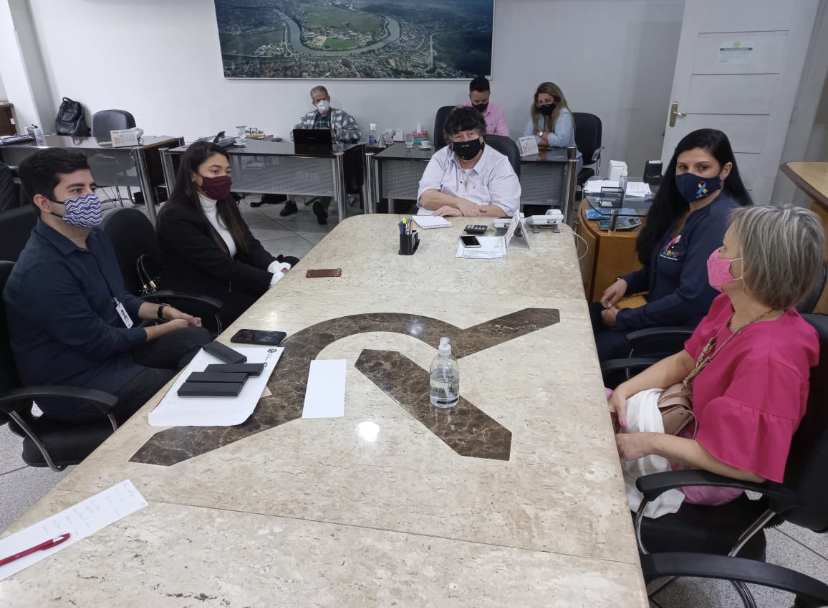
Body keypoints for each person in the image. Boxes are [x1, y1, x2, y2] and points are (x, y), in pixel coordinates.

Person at [611, 205, 823, 507]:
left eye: (724, 248)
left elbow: (747, 467)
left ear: (752, 268)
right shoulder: (731, 306)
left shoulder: (770, 360)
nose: (715, 255)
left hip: (706, 471)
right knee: (591, 410)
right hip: (682, 422)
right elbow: (687, 360)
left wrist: (649, 443)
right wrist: (625, 390)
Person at [3, 149, 211, 422]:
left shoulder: (94, 238)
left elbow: (116, 298)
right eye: (76, 190)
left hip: (117, 353)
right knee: (179, 389)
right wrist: (168, 328)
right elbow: (100, 342)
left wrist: (164, 311)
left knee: (196, 339)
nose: (90, 197)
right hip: (80, 381)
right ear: (44, 202)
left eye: (91, 187)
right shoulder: (42, 270)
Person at [591, 129, 752, 362]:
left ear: (725, 170)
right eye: (683, 167)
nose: (690, 175)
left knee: (583, 352)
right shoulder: (686, 209)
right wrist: (628, 281)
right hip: (654, 313)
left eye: (702, 167)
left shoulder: (718, 221)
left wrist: (623, 318)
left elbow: (690, 300)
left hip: (674, 333)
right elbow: (665, 267)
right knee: (578, 318)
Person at [157, 141, 300, 331]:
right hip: (205, 291)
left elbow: (248, 244)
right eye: (215, 171)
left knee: (292, 264)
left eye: (227, 171)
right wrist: (271, 279)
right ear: (192, 174)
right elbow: (221, 265)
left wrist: (274, 266)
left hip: (229, 278)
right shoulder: (175, 216)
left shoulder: (224, 201)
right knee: (276, 299)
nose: (223, 177)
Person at [417, 106, 520, 218]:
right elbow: (426, 198)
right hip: (439, 224)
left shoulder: (499, 163)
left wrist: (462, 213)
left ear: (481, 136)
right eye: (459, 136)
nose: (465, 140)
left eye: (470, 134)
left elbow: (506, 209)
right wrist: (459, 203)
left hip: (480, 225)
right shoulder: (441, 157)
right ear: (451, 141)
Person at [285, 84, 362, 224]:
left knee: (328, 170)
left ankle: (322, 207)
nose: (322, 102)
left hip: (333, 156)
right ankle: (290, 202)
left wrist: (335, 133)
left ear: (329, 99)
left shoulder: (342, 115)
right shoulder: (308, 117)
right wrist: (309, 135)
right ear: (313, 103)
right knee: (287, 164)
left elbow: (356, 134)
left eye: (324, 99)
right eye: (318, 100)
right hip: (311, 155)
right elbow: (293, 135)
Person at [522, 82, 582, 169]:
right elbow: (525, 140)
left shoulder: (563, 114)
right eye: (540, 102)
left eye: (548, 101)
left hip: (569, 161)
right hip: (543, 160)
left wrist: (540, 133)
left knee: (547, 178)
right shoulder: (537, 113)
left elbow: (561, 141)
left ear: (556, 100)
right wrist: (551, 141)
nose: (544, 105)